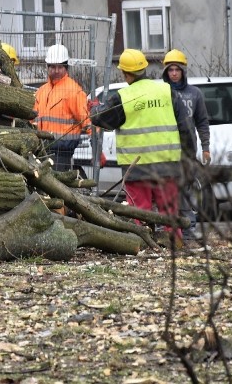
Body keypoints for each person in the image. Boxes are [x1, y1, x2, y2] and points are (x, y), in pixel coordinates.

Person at [89, 48, 188, 243]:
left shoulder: (123, 97)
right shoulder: (167, 91)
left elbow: (102, 119)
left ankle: (144, 243)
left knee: (140, 211)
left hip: (137, 167)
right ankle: (175, 242)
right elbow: (185, 126)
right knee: (169, 209)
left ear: (125, 73)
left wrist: (94, 109)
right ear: (144, 68)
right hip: (167, 164)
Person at [161, 49, 210, 240]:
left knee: (184, 192)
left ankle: (188, 231)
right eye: (170, 70)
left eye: (177, 69)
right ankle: (167, 231)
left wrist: (205, 147)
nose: (174, 73)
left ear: (183, 71)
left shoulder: (195, 94)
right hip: (165, 151)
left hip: (187, 152)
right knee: (165, 192)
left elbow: (202, 122)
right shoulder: (161, 93)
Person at [33, 44, 90, 172]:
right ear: (47, 67)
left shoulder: (74, 91)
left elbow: (86, 121)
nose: (57, 70)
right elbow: (33, 119)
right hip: (41, 150)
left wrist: (97, 150)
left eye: (60, 67)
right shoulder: (41, 91)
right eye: (53, 66)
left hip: (62, 153)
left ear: (66, 67)